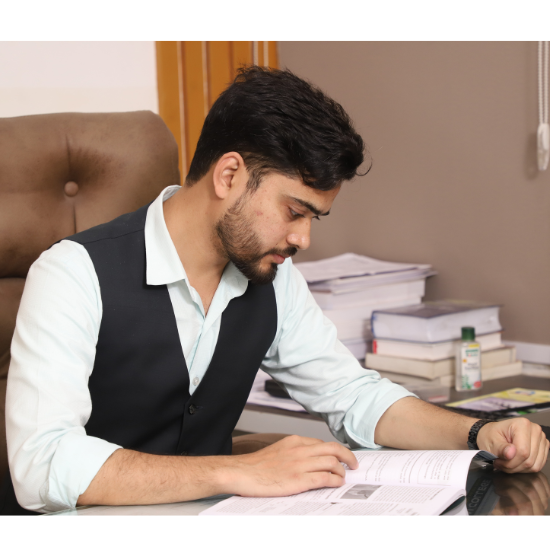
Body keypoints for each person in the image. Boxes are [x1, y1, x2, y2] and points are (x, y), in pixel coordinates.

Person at [5, 67, 548, 514]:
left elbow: (352, 394)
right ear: (229, 175)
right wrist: (238, 469)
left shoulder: (271, 277)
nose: (303, 239)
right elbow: (41, 465)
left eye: (315, 218)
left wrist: (479, 432)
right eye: (294, 211)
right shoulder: (72, 274)